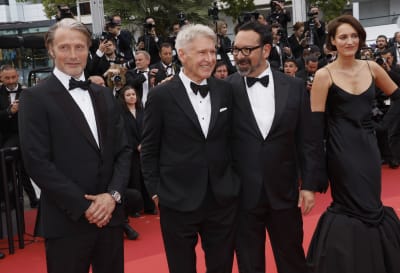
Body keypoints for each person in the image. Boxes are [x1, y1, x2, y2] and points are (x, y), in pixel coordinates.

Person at [18, 18, 132, 273]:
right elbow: (37, 162)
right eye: (64, 47)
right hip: (65, 220)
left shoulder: (103, 94)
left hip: (110, 216)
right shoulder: (34, 98)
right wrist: (86, 207)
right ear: (50, 49)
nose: (73, 55)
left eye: (79, 47)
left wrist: (112, 196)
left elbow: (123, 150)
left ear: (88, 48)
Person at [141, 23, 240, 273]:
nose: (209, 59)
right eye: (201, 53)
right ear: (182, 54)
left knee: (222, 266)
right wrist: (155, 191)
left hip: (221, 198)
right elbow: (149, 149)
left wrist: (233, 182)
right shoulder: (160, 96)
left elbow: (234, 140)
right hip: (177, 198)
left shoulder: (226, 90)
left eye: (212, 52)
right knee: (181, 267)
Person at [227, 21, 324, 273]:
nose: (240, 56)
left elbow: (308, 140)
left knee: (292, 258)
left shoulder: (293, 87)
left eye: (247, 50)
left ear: (266, 50)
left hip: (284, 191)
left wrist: (310, 185)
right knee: (249, 263)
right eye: (236, 49)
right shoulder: (226, 89)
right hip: (242, 195)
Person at [306, 15, 400, 273]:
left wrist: (382, 127)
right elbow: (314, 128)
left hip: (369, 148)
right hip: (341, 150)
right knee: (351, 206)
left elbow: (397, 96)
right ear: (333, 42)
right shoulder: (324, 76)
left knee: (372, 203)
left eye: (354, 36)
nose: (349, 41)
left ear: (360, 38)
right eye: (343, 37)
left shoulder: (372, 68)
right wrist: (311, 179)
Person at [0, 65, 39, 208]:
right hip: (4, 136)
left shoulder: (29, 93)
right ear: (1, 78)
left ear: (17, 76)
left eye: (13, 77)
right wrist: (9, 111)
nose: (11, 81)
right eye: (7, 78)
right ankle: (9, 200)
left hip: (24, 135)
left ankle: (33, 199)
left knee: (24, 169)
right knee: (7, 168)